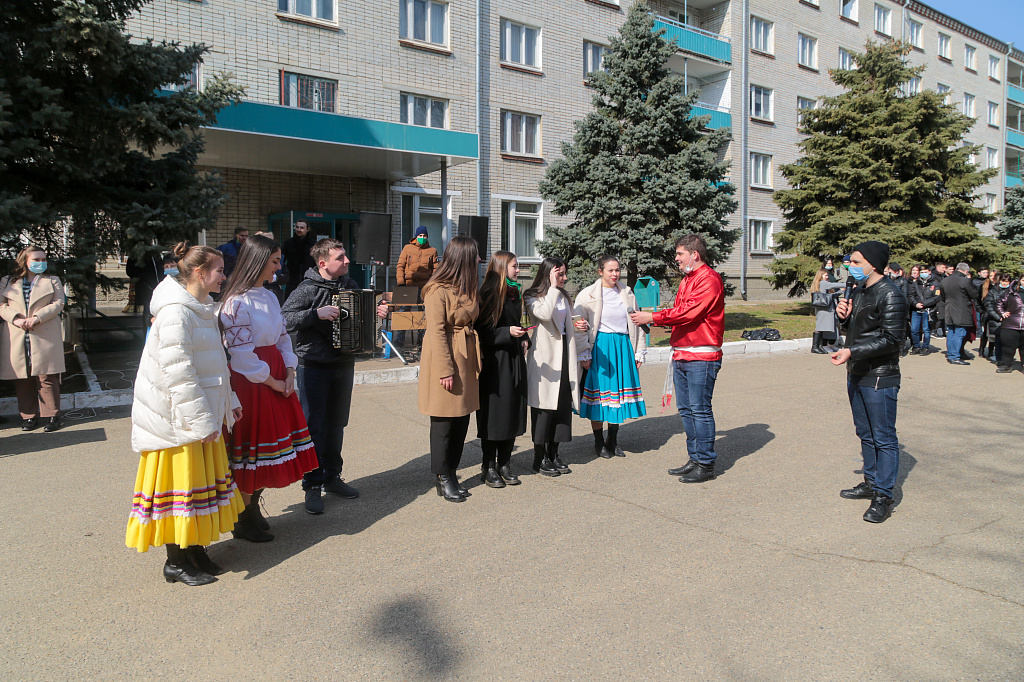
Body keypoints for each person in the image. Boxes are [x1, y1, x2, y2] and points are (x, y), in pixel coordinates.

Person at [126, 242, 245, 585]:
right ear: (199, 273)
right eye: (220, 270)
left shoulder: (200, 307)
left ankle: (193, 550)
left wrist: (228, 400)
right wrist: (201, 421)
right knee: (180, 488)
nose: (224, 276)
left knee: (196, 486)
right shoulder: (176, 312)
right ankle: (175, 561)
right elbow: (179, 373)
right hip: (177, 421)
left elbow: (214, 365)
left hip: (198, 415)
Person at [219, 235, 317, 541]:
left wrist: (289, 370)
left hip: (275, 375)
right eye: (275, 261)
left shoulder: (271, 295)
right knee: (252, 448)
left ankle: (252, 510)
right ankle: (241, 517)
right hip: (252, 382)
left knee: (268, 447)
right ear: (259, 261)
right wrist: (274, 381)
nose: (279, 265)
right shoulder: (236, 302)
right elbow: (241, 355)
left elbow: (283, 336)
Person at [630, 234, 725, 484]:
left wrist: (652, 317)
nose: (676, 258)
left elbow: (688, 312)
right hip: (683, 353)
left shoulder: (709, 279)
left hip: (701, 356)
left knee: (700, 410)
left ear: (695, 254)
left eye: (680, 253)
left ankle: (705, 464)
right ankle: (694, 458)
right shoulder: (688, 279)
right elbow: (680, 311)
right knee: (686, 409)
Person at [281, 238, 361, 514]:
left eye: (345, 256)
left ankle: (332, 477)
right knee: (314, 427)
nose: (347, 261)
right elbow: (285, 318)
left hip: (344, 362)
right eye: (340, 258)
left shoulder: (350, 286)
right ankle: (312, 485)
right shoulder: (307, 288)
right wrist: (316, 313)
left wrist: (376, 312)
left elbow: (358, 316)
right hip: (313, 365)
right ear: (323, 263)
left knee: (337, 423)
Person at [831, 241, 907, 524]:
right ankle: (871, 481)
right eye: (850, 261)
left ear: (873, 264)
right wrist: (844, 319)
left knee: (884, 438)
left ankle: (883, 496)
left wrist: (853, 351)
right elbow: (858, 332)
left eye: (856, 262)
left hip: (880, 376)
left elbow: (891, 339)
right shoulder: (860, 290)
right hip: (857, 371)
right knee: (864, 432)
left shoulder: (891, 294)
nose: (851, 266)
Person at [417, 236, 481, 503]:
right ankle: (443, 476)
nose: (479, 260)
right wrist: (445, 369)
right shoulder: (436, 290)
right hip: (445, 357)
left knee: (462, 417)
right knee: (444, 421)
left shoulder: (467, 287)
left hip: (465, 357)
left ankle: (451, 471)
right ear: (463, 258)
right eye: (475, 255)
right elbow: (437, 332)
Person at [574, 255, 647, 458]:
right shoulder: (587, 294)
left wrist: (639, 350)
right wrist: (583, 354)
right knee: (600, 396)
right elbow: (578, 326)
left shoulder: (627, 293)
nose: (615, 274)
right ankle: (598, 442)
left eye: (617, 270)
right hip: (601, 349)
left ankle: (613, 440)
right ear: (600, 271)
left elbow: (637, 322)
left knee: (618, 396)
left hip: (623, 346)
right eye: (610, 270)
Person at [524, 258, 588, 477]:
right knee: (544, 409)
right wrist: (552, 286)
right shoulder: (532, 295)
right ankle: (539, 457)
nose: (565, 278)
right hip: (545, 360)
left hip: (564, 357)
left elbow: (564, 325)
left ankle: (554, 452)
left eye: (564, 274)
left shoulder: (562, 296)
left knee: (561, 407)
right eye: (560, 274)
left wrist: (580, 327)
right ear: (550, 274)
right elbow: (542, 314)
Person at [475, 251, 529, 488]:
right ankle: (488, 466)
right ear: (501, 267)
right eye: (515, 267)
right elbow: (482, 332)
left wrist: (525, 336)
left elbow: (516, 324)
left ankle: (505, 463)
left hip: (514, 358)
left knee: (512, 412)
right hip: (495, 363)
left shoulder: (514, 292)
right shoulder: (488, 293)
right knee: (495, 415)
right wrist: (507, 333)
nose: (518, 271)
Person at [0, 246, 67, 433]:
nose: (41, 263)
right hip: (17, 333)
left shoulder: (52, 280)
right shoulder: (8, 281)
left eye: (43, 259)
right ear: (25, 261)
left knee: (47, 376)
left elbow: (59, 303)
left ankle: (52, 415)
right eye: (36, 260)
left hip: (43, 332)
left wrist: (37, 317)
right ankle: (29, 417)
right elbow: (1, 304)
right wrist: (16, 318)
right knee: (22, 377)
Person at [394, 225, 439, 349]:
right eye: (420, 236)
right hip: (408, 285)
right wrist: (401, 282)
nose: (422, 238)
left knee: (423, 313)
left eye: (424, 236)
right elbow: (400, 265)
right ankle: (399, 341)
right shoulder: (407, 248)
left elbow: (435, 269)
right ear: (416, 236)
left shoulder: (432, 251)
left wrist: (432, 284)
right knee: (404, 312)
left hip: (424, 286)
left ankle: (422, 341)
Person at [939, 262, 978, 365]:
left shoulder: (944, 280)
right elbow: (974, 294)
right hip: (962, 310)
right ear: (966, 271)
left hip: (949, 309)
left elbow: (942, 297)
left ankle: (951, 355)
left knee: (951, 332)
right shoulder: (964, 281)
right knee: (960, 332)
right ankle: (955, 356)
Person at [995, 273, 1024, 373]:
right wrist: (1002, 313)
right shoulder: (1010, 292)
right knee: (1008, 347)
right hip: (1011, 324)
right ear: (1020, 280)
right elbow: (999, 302)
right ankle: (1006, 365)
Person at [907, 264, 939, 355]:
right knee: (914, 330)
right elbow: (911, 295)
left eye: (925, 272)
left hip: (928, 310)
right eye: (921, 272)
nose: (923, 274)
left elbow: (936, 297)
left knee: (926, 330)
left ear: (929, 272)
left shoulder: (935, 283)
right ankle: (916, 347)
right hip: (916, 309)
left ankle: (925, 347)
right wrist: (915, 304)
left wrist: (924, 304)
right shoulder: (916, 283)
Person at [810, 268, 844, 354]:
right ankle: (815, 347)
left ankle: (819, 346)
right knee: (819, 328)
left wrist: (840, 292)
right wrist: (848, 284)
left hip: (821, 308)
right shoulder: (823, 283)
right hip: (824, 309)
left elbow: (830, 296)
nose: (827, 277)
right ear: (820, 276)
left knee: (821, 328)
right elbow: (834, 285)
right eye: (825, 275)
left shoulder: (819, 284)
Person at [282, 220, 316, 298]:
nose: (299, 230)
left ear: (307, 229)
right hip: (292, 280)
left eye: (302, 228)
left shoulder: (313, 244)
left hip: (308, 280)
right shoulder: (288, 243)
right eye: (297, 227)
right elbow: (282, 260)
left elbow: (317, 261)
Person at [932, 261, 948, 338]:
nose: (944, 269)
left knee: (943, 315)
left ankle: (943, 332)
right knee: (940, 315)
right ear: (937, 268)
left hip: (942, 298)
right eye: (943, 267)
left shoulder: (942, 276)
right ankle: (934, 331)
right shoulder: (934, 277)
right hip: (938, 298)